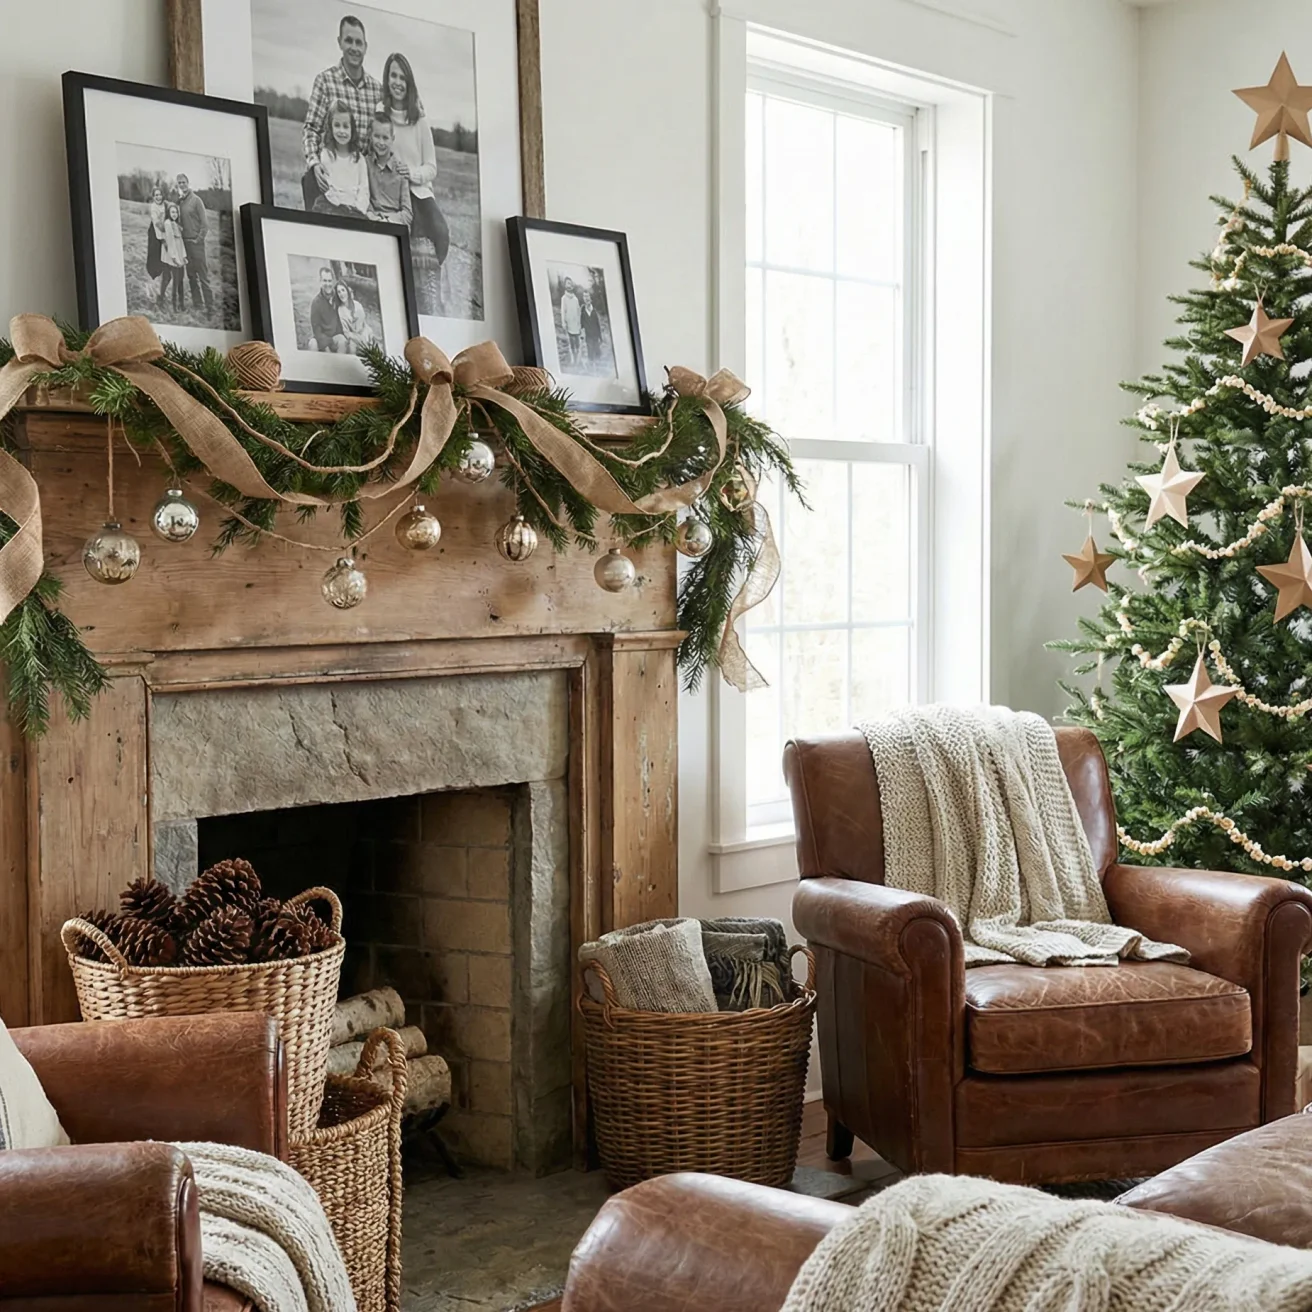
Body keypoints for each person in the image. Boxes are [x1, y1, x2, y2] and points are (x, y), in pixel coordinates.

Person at [301, 15, 383, 213]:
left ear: (366, 47)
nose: (354, 47)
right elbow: (311, 130)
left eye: (359, 42)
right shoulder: (325, 81)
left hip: (360, 177)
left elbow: (383, 135)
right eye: (348, 41)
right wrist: (314, 163)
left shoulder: (376, 90)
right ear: (339, 42)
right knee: (311, 179)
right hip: (332, 171)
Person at [380, 52, 449, 280]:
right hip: (390, 188)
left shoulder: (419, 119)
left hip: (418, 190)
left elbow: (431, 167)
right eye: (393, 76)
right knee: (400, 233)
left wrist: (411, 173)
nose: (398, 83)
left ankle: (429, 280)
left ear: (409, 83)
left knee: (440, 232)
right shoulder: (380, 112)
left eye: (403, 78)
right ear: (387, 78)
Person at [314, 101, 369, 215]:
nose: (341, 131)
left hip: (355, 210)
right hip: (333, 206)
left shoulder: (359, 159)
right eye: (337, 125)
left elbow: (364, 190)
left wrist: (358, 209)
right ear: (331, 127)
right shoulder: (327, 155)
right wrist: (341, 209)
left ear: (352, 129)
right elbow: (328, 188)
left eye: (346, 126)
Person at [175, 174, 214, 317]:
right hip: (185, 244)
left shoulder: (196, 200)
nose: (182, 185)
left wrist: (198, 240)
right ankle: (198, 304)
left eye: (184, 182)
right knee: (191, 276)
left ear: (188, 183)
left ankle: (210, 308)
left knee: (203, 276)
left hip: (196, 244)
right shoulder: (181, 202)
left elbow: (205, 225)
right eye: (179, 183)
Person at [364, 114, 412, 228]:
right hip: (370, 221)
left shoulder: (400, 170)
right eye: (377, 136)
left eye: (385, 138)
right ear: (370, 136)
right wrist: (371, 215)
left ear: (392, 139)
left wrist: (386, 220)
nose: (381, 142)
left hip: (393, 225)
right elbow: (361, 199)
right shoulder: (365, 164)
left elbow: (408, 214)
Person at [309, 265, 346, 352]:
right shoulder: (316, 303)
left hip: (335, 337)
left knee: (342, 340)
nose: (327, 284)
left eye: (329, 281)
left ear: (333, 281)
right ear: (320, 281)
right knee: (312, 344)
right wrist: (326, 349)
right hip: (322, 338)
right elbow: (316, 330)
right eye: (325, 281)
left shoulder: (337, 297)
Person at [160, 201, 187, 314]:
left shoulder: (176, 224)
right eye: (172, 212)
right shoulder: (167, 223)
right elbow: (170, 243)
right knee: (171, 280)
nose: (174, 214)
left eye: (176, 212)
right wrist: (175, 258)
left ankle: (181, 304)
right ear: (168, 213)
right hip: (171, 257)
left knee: (180, 280)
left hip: (179, 255)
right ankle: (173, 305)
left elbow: (180, 242)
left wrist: (184, 256)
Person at [336, 281, 376, 353]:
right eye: (339, 292)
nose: (341, 294)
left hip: (364, 333)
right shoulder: (340, 310)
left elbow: (363, 324)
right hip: (353, 337)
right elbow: (346, 332)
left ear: (347, 291)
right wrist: (358, 338)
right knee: (352, 346)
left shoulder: (357, 305)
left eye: (343, 290)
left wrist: (365, 336)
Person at [146, 185, 167, 303]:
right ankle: (151, 291)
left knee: (162, 262)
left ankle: (159, 291)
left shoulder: (165, 205)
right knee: (153, 260)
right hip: (155, 235)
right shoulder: (153, 207)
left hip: (163, 234)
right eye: (156, 195)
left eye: (160, 195)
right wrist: (162, 239)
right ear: (153, 197)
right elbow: (157, 223)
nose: (158, 197)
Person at [559, 277, 583, 366]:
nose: (570, 285)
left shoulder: (575, 299)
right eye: (568, 283)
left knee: (577, 343)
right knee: (571, 343)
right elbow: (563, 311)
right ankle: (573, 359)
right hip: (569, 324)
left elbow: (578, 312)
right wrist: (563, 323)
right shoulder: (564, 298)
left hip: (576, 324)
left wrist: (580, 323)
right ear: (565, 285)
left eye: (571, 283)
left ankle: (578, 360)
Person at [581, 289, 604, 369]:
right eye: (584, 296)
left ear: (591, 298)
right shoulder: (582, 311)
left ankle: (599, 367)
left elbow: (597, 325)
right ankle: (591, 368)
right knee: (590, 352)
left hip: (595, 335)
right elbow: (581, 324)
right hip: (588, 336)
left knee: (597, 351)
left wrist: (600, 337)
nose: (586, 298)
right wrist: (581, 333)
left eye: (588, 296)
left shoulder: (594, 311)